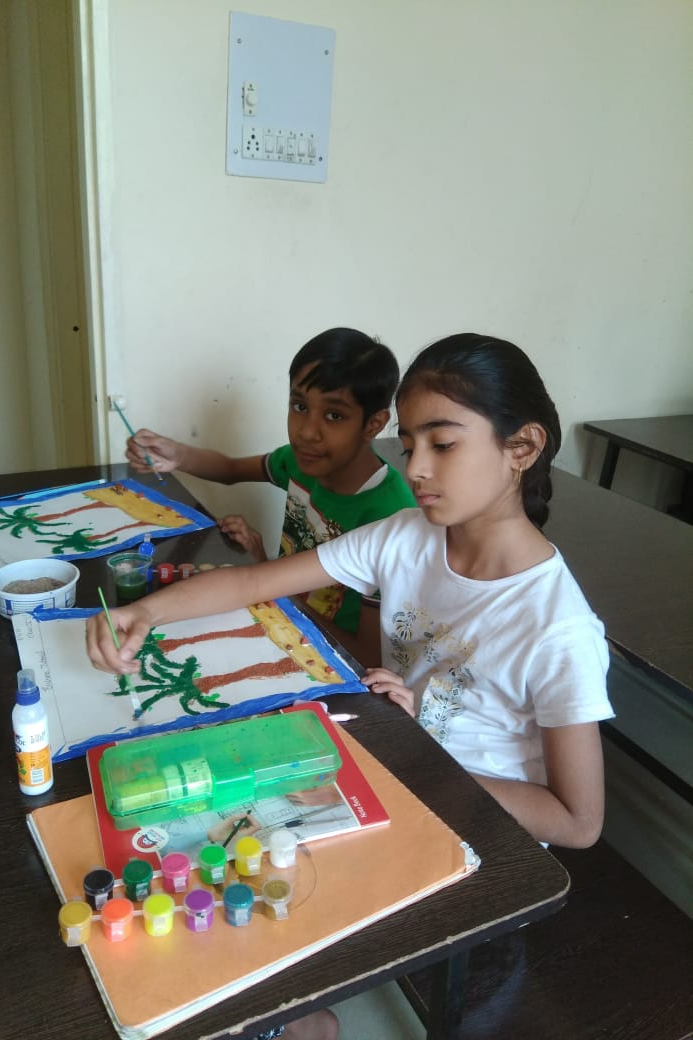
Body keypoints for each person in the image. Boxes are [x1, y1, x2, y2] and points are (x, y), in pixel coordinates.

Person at [88, 332, 614, 1038]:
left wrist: (414, 754)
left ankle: (292, 1017)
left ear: (521, 447)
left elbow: (577, 822)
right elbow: (253, 582)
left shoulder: (557, 628)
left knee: (243, 853)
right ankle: (302, 1019)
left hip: (474, 825)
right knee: (210, 825)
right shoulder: (407, 536)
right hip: (391, 767)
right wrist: (144, 612)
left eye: (443, 444)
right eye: (410, 443)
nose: (416, 468)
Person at [125, 327, 416, 662]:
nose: (307, 432)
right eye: (299, 406)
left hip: (330, 661)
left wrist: (268, 576)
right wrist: (178, 456)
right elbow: (230, 470)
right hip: (280, 620)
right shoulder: (300, 462)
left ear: (373, 424)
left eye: (334, 415)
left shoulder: (391, 518)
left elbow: (367, 658)